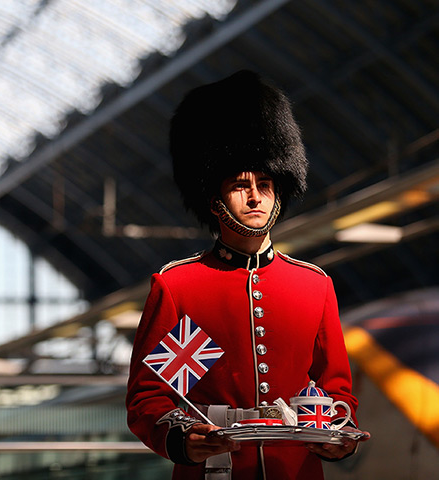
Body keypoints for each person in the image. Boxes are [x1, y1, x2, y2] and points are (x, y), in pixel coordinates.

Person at [126, 70, 369, 480]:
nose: (255, 195)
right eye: (240, 184)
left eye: (267, 183)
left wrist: (334, 436)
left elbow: (336, 392)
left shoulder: (314, 285)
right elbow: (149, 397)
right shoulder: (178, 286)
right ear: (213, 198)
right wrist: (185, 439)